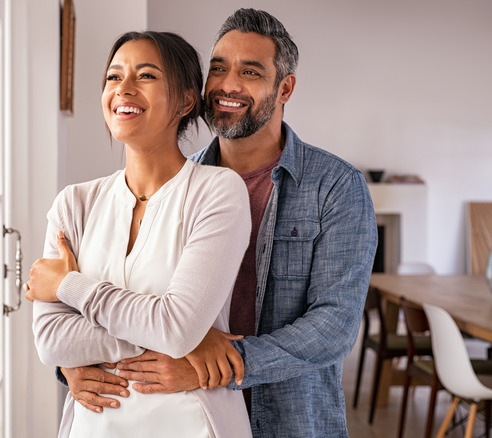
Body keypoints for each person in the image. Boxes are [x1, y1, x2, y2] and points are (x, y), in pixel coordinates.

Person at [59, 8, 378, 438]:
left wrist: (221, 363)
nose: (228, 85)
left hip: (290, 421)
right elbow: (132, 299)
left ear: (285, 87)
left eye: (250, 71)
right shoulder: (175, 184)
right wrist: (72, 362)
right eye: (218, 69)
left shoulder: (335, 186)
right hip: (182, 418)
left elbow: (334, 325)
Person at [27, 31, 253, 437]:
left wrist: (69, 286)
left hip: (192, 425)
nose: (123, 90)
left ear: (185, 101)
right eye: (114, 77)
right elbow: (51, 340)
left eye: (145, 76)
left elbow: (176, 326)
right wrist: (184, 339)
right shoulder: (73, 204)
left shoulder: (218, 191)